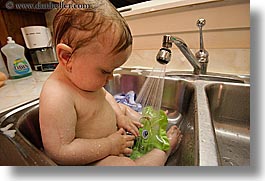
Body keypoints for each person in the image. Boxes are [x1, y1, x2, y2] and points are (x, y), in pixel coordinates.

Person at [39, 0, 182, 166]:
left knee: (125, 110)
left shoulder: (83, 79)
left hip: (115, 137)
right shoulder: (57, 96)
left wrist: (120, 116)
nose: (111, 77)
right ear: (67, 57)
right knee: (126, 168)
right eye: (106, 71)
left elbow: (105, 96)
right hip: (94, 159)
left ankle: (149, 125)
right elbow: (60, 151)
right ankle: (163, 151)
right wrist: (109, 145)